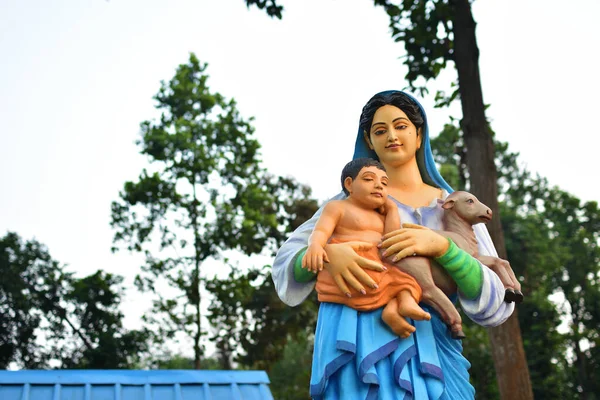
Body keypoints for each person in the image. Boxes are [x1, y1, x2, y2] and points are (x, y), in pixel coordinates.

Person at [272, 91, 515, 399]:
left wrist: (444, 249)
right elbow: (285, 267)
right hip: (356, 346)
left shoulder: (452, 204)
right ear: (369, 140)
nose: (391, 136)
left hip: (432, 343)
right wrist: (328, 254)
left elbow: (497, 304)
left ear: (419, 134)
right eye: (380, 130)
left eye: (401, 126)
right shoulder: (345, 204)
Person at [302, 157, 431, 338]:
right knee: (401, 281)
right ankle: (397, 305)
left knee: (410, 281)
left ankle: (395, 308)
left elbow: (391, 240)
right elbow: (322, 230)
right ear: (349, 184)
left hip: (379, 268)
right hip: (351, 265)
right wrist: (315, 245)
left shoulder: (380, 216)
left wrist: (392, 210)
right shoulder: (338, 207)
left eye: (384, 183)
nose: (378, 185)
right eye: (369, 179)